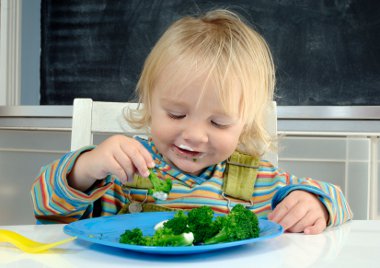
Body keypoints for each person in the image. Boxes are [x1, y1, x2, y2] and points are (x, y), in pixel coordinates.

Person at [31, 9, 352, 234]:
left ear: (245, 125)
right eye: (176, 114)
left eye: (220, 122)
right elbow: (47, 210)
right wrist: (86, 168)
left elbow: (339, 200)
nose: (195, 135)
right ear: (150, 105)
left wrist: (316, 204)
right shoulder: (120, 172)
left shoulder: (258, 181)